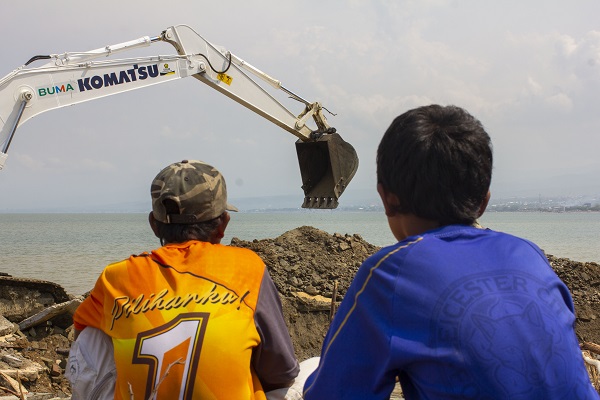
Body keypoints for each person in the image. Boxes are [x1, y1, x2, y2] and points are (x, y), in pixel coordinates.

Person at [303, 105, 599, 399]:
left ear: (386, 199)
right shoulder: (529, 254)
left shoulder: (390, 274)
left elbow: (331, 394)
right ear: (484, 201)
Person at [67, 159, 299, 399]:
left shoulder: (116, 277)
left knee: (95, 335)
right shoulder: (248, 268)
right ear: (223, 224)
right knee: (309, 370)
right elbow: (282, 373)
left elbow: (83, 343)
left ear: (153, 224)